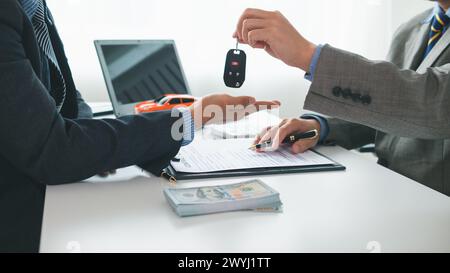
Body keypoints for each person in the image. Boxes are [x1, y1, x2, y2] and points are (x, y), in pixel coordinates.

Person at [0, 0, 279, 252]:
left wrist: (93, 143)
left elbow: (66, 98)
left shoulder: (31, 4)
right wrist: (190, 117)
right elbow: (53, 150)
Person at [234, 1, 450, 196]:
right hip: (387, 193)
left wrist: (308, 55)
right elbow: (390, 110)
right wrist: (320, 126)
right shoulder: (409, 30)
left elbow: (434, 102)